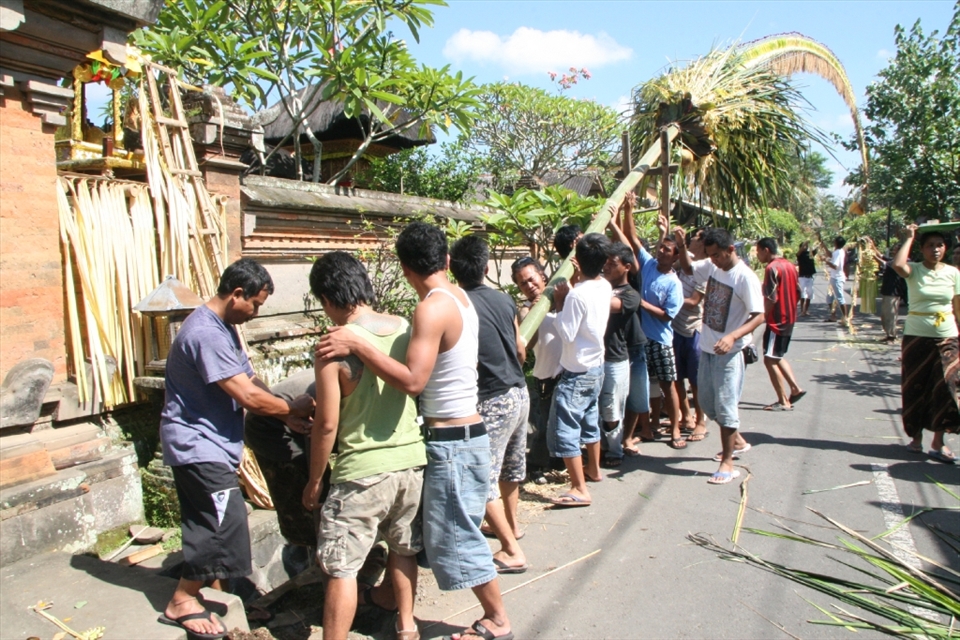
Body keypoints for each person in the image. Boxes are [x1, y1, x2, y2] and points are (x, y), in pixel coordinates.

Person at [316, 222, 513, 640]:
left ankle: (497, 618)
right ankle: (397, 610)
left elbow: (412, 381)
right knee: (418, 541)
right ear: (445, 260)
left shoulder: (430, 308)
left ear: (405, 268)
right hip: (459, 436)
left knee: (456, 537)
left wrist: (358, 345)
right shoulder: (459, 297)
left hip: (453, 441)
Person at [159, 258, 315, 639]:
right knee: (221, 523)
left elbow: (251, 379)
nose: (256, 312)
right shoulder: (205, 333)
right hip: (197, 443)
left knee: (211, 519)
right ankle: (182, 598)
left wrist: (283, 418)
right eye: (256, 304)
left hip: (212, 443)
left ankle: (217, 594)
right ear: (237, 294)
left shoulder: (224, 327)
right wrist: (293, 407)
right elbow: (245, 395)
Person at [301, 252, 426, 640]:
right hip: (410, 462)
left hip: (361, 472)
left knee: (342, 567)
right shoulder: (405, 328)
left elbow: (326, 425)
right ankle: (407, 627)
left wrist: (315, 481)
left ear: (326, 297)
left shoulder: (332, 347)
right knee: (403, 548)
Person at [450, 236, 531, 575]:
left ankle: (511, 550)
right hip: (518, 392)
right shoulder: (503, 299)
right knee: (510, 471)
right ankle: (511, 528)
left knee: (480, 479)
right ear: (486, 268)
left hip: (491, 399)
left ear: (452, 269)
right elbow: (521, 350)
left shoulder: (457, 305)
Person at [675, 228, 764, 485]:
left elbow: (759, 315)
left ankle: (728, 462)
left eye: (717, 255)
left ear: (731, 249)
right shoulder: (713, 268)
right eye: (711, 255)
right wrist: (682, 247)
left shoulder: (744, 277)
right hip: (707, 347)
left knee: (725, 406)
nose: (713, 260)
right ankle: (737, 440)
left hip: (730, 351)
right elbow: (690, 269)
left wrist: (733, 336)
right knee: (706, 401)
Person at [548, 232, 612, 506]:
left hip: (577, 371)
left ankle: (578, 487)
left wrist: (561, 302)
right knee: (589, 419)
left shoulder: (576, 297)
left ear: (575, 260)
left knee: (567, 427)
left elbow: (566, 332)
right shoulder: (605, 286)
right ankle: (594, 471)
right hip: (597, 366)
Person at [892, 224, 960, 464]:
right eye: (930, 245)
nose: (936, 249)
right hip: (917, 336)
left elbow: (957, 307)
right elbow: (898, 265)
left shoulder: (953, 273)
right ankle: (916, 437)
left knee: (946, 388)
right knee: (916, 386)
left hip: (947, 336)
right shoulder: (916, 270)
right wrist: (909, 237)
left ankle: (938, 442)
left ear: (946, 248)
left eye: (940, 245)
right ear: (921, 249)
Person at [512, 257, 562, 484]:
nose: (529, 286)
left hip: (569, 372)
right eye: (523, 283)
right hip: (545, 376)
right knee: (544, 426)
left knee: (563, 423)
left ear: (542, 275)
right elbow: (527, 344)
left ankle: (560, 461)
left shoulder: (561, 296)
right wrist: (534, 311)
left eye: (531, 279)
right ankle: (536, 466)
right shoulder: (525, 311)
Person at [598, 241, 641, 467]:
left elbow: (608, 305)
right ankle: (601, 448)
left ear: (626, 267)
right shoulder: (600, 286)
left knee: (611, 407)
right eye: (604, 262)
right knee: (598, 407)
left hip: (615, 359)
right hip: (596, 358)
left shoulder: (630, 295)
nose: (605, 267)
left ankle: (615, 451)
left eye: (611, 264)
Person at [756, 238, 806, 411]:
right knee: (776, 355)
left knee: (769, 360)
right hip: (789, 317)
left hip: (776, 320)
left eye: (758, 251)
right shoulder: (790, 265)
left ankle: (783, 400)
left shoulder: (772, 268)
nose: (757, 255)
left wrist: (764, 316)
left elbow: (771, 297)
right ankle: (795, 388)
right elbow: (799, 291)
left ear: (766, 250)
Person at [672, 228, 707, 440]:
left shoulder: (704, 270)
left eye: (693, 239)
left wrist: (669, 300)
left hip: (694, 329)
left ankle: (701, 420)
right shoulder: (683, 263)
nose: (690, 240)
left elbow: (694, 301)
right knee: (677, 378)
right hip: (675, 328)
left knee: (695, 381)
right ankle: (686, 416)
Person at [876, 244, 906, 342]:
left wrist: (872, 256)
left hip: (893, 292)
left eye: (896, 250)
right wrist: (871, 245)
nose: (893, 251)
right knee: (885, 314)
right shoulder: (893, 260)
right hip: (887, 291)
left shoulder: (901, 262)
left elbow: (883, 262)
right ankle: (889, 334)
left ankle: (892, 336)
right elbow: (881, 256)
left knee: (891, 315)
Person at [826, 236, 849, 325]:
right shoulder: (838, 252)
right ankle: (833, 316)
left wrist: (826, 261)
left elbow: (835, 266)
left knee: (840, 298)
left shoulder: (839, 252)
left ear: (836, 243)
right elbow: (830, 254)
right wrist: (823, 245)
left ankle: (845, 318)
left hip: (837, 278)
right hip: (833, 277)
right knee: (829, 298)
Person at [796, 242, 817, 317]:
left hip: (810, 277)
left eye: (806, 246)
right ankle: (802, 310)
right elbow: (799, 252)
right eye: (804, 246)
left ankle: (806, 310)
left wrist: (818, 240)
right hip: (802, 277)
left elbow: (816, 249)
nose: (806, 247)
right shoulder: (800, 255)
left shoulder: (810, 254)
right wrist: (805, 243)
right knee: (803, 294)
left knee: (810, 294)